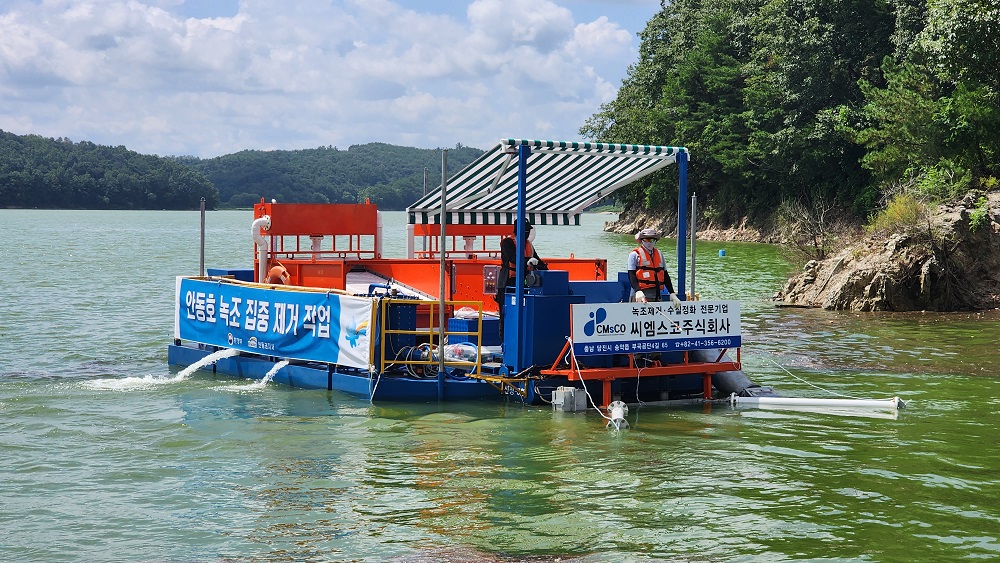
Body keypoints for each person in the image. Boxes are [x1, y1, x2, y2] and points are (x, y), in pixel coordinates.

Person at [495, 219, 546, 336]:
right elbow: (512, 258)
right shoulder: (507, 243)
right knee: (506, 314)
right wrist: (528, 261)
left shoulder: (529, 245)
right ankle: (504, 341)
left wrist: (545, 268)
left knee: (524, 313)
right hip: (508, 283)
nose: (527, 233)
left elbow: (538, 260)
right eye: (525, 230)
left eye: (529, 231)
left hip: (525, 283)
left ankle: (522, 338)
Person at [628, 228, 682, 307]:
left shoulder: (659, 254)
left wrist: (672, 293)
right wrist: (638, 291)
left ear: (655, 241)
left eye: (652, 240)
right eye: (646, 240)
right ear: (641, 240)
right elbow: (631, 275)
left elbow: (665, 275)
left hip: (657, 297)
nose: (649, 242)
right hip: (640, 297)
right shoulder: (634, 255)